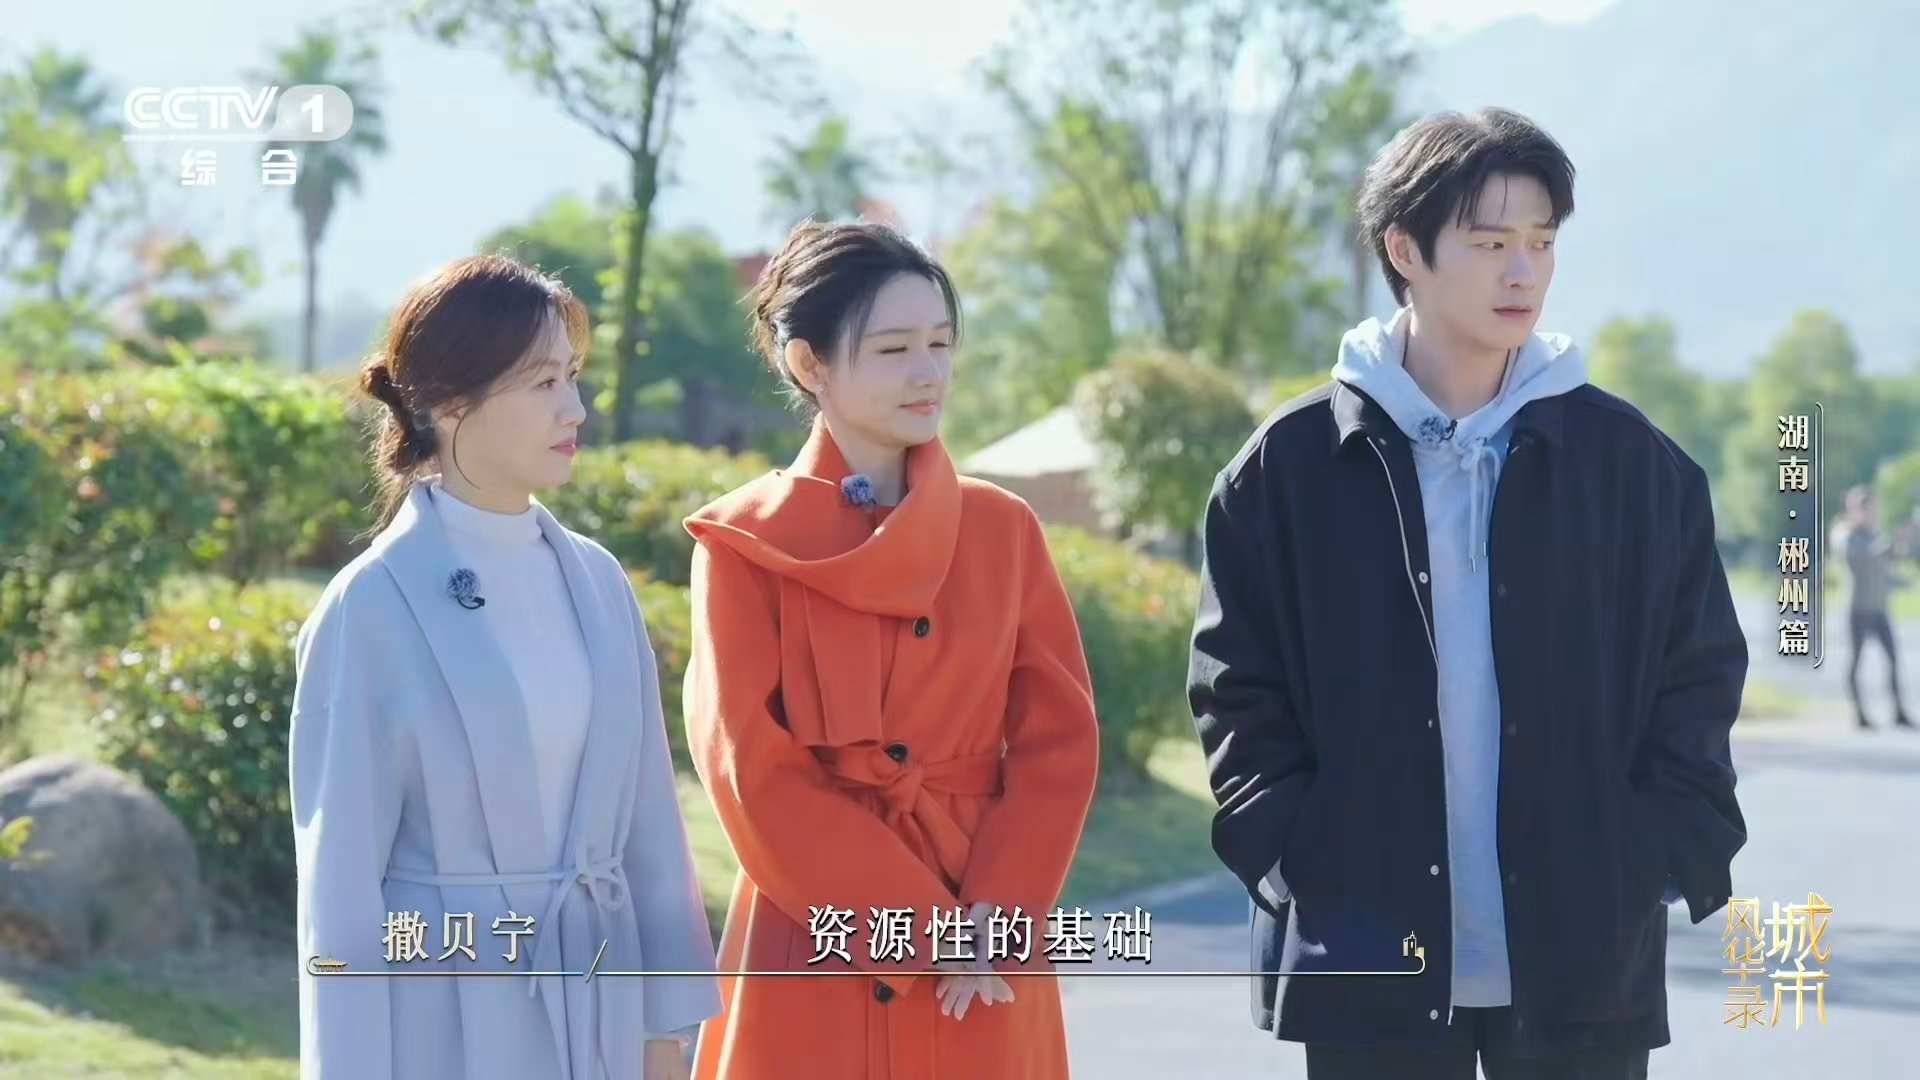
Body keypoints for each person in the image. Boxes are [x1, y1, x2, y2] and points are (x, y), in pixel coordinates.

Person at [1187, 107, 1748, 1079]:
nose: (1523, 272)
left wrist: (1655, 852)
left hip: (1581, 951)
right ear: (1404, 249)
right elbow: (1236, 688)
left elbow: (1696, 675)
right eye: (1491, 245)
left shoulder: (1632, 467)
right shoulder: (1286, 470)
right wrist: (1292, 850)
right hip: (1366, 952)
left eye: (1541, 242)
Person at [681, 220, 1101, 1079]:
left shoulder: (1002, 529)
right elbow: (749, 768)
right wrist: (918, 930)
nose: (928, 371)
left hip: (984, 931)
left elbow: (1059, 741)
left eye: (941, 343)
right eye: (894, 348)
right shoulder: (741, 543)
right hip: (816, 925)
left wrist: (996, 916)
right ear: (810, 364)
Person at [290, 254, 720, 1079]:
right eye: (542, 382)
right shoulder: (369, 606)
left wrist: (665, 1032)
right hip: (443, 1014)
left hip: (598, 1003)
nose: (575, 407)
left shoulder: (597, 581)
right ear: (451, 401)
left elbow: (649, 827)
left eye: (573, 376)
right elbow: (338, 895)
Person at [1831, 485, 1914, 729]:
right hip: (1857, 609)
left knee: (1893, 658)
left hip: (1878, 609)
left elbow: (1884, 567)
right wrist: (1886, 547)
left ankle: (1898, 711)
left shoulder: (1874, 535)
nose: (1868, 513)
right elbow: (1863, 557)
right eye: (1863, 508)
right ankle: (1859, 713)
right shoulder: (1844, 535)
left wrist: (1901, 545)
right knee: (1856, 661)